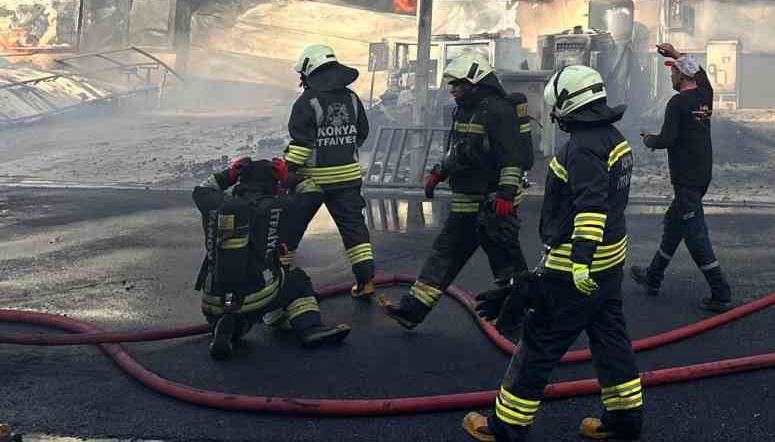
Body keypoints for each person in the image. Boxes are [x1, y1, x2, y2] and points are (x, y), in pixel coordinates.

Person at [463, 63, 642, 442]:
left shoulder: (581, 147)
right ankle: (625, 420)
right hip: (610, 264)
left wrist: (578, 263)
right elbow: (603, 199)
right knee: (611, 342)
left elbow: (591, 206)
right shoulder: (613, 138)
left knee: (539, 344)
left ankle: (505, 427)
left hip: (577, 269)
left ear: (566, 103)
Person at [380, 51, 530, 329]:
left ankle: (524, 315)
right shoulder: (464, 109)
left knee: (506, 265)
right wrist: (440, 172)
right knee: (445, 254)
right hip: (465, 200)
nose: (452, 89)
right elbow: (460, 150)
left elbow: (513, 158)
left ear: (475, 82)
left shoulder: (499, 111)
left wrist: (507, 195)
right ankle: (413, 310)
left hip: (493, 204)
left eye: (457, 84)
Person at [192, 157, 352, 359]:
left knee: (251, 299)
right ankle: (311, 328)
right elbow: (314, 194)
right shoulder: (281, 205)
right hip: (257, 296)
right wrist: (289, 178)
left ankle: (227, 327)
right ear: (273, 184)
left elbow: (200, 189)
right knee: (297, 280)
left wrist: (229, 174)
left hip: (212, 303)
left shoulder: (216, 203)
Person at [629, 43, 733, 312]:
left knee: (695, 235)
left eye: (673, 71)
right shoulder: (705, 95)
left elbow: (667, 139)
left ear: (682, 76)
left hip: (685, 177)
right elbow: (702, 75)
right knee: (673, 224)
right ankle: (653, 276)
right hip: (701, 175)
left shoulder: (677, 103)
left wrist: (648, 139)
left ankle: (720, 291)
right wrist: (675, 54)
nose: (671, 76)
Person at [280, 43, 376, 297]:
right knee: (355, 230)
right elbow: (362, 133)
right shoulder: (352, 99)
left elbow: (301, 145)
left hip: (312, 183)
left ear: (308, 73)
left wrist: (285, 172)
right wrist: (342, 149)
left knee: (290, 229)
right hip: (348, 180)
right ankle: (366, 282)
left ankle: (276, 282)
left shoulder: (307, 101)